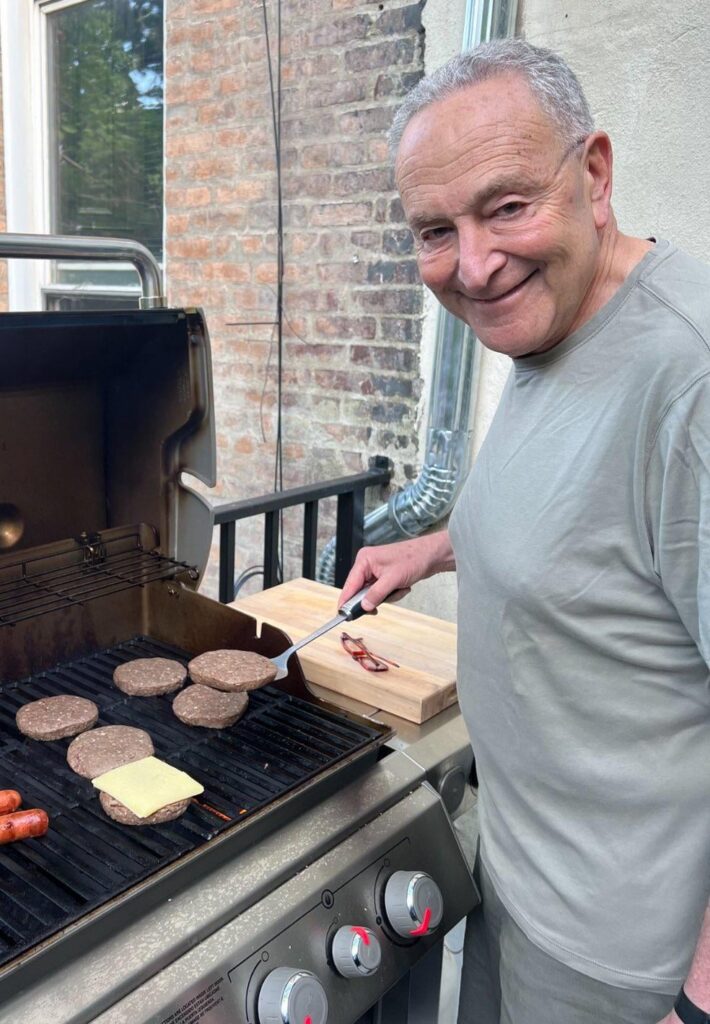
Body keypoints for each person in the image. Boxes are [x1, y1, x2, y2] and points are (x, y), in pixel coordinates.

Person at [340, 39, 710, 1024]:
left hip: (626, 965)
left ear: (592, 174)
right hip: (520, 881)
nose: (472, 265)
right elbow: (580, 514)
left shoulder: (687, 380)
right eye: (434, 230)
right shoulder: (547, 324)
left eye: (506, 206)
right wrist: (434, 546)